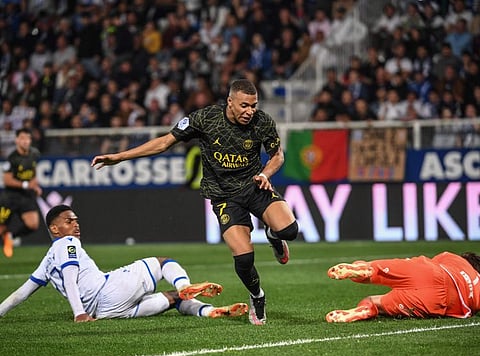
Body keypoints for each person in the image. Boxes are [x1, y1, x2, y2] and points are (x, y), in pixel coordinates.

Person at [91, 79, 299, 326]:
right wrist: (120, 157)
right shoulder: (204, 119)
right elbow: (164, 142)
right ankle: (257, 296)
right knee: (244, 259)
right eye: (244, 105)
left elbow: (277, 155)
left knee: (290, 230)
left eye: (253, 105)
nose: (249, 111)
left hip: (255, 186)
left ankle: (274, 237)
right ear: (230, 101)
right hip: (224, 197)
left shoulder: (262, 121)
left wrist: (265, 174)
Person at [0, 205, 248, 322]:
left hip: (107, 312)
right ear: (54, 229)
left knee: (174, 300)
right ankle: (186, 284)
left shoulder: (47, 260)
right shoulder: (67, 244)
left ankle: (209, 311)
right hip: (107, 291)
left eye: (76, 220)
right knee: (163, 262)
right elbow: (69, 278)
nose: (76, 224)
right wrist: (79, 314)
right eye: (68, 221)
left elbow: (22, 292)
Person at [325, 251, 480, 323]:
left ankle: (362, 268)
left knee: (373, 270)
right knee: (374, 302)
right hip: (435, 303)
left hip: (430, 273)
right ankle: (369, 307)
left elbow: (435, 262)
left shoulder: (454, 258)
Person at [1, 128, 42, 258]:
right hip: (10, 196)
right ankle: (5, 234)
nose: (25, 141)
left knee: (33, 224)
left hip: (26, 196)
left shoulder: (34, 154)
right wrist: (25, 184)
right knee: (1, 227)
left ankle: (11, 236)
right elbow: (7, 180)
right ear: (17, 140)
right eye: (22, 138)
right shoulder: (11, 158)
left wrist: (35, 186)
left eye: (27, 138)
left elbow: (33, 172)